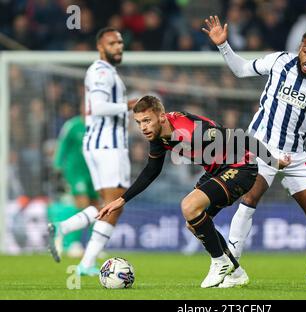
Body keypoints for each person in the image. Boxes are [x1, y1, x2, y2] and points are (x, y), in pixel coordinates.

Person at [203, 16, 306, 287]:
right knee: (249, 200)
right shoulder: (279, 61)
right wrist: (224, 46)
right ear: (299, 47)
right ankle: (231, 269)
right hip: (261, 146)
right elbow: (242, 69)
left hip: (295, 154)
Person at [97, 95, 291, 288]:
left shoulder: (191, 130)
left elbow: (242, 138)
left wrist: (273, 161)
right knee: (194, 223)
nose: (143, 127)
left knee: (189, 206)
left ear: (162, 117)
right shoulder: (157, 136)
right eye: (139, 123)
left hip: (242, 167)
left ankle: (220, 262)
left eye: (147, 120)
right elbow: (151, 171)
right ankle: (237, 272)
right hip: (217, 170)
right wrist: (122, 200)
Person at [48, 27, 137, 276]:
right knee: (115, 204)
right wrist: (129, 105)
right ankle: (85, 262)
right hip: (108, 145)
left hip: (99, 145)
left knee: (104, 204)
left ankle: (64, 230)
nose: (118, 46)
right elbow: (97, 107)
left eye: (120, 42)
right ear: (101, 47)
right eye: (112, 43)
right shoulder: (100, 71)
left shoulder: (106, 72)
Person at [51, 113, 99, 256]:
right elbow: (62, 145)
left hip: (94, 172)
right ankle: (74, 243)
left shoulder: (99, 125)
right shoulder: (73, 125)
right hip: (76, 172)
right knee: (82, 206)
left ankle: (93, 245)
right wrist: (58, 166)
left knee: (96, 208)